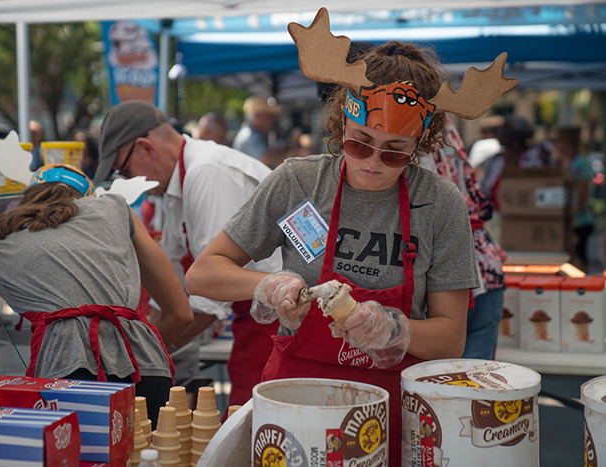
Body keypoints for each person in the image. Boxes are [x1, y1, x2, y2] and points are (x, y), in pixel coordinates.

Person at [185, 8, 516, 464]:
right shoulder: (299, 182)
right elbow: (202, 274)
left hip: (391, 404)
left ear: (420, 144)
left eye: (395, 152)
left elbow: (450, 338)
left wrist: (394, 328)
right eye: (360, 143)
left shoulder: (440, 204)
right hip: (296, 395)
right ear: (343, 123)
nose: (373, 162)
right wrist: (268, 285)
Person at [0, 164, 193, 426]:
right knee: (154, 455)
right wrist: (132, 352)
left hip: (66, 371)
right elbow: (181, 313)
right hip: (145, 369)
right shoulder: (115, 208)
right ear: (86, 197)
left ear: (27, 199)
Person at [94, 100, 282, 407]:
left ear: (146, 148)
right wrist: (149, 337)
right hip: (256, 314)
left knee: (252, 414)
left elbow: (210, 297)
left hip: (280, 316)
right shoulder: (174, 187)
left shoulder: (206, 172)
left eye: (125, 170)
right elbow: (170, 278)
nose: (128, 180)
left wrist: (144, 356)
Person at [419, 118, 507, 359]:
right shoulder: (444, 124)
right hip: (483, 263)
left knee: (434, 378)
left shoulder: (408, 128)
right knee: (474, 377)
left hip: (440, 275)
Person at [481, 115, 556, 210]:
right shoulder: (496, 160)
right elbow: (486, 190)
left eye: (516, 141)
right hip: (499, 213)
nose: (513, 147)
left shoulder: (538, 155)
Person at [554, 126, 595, 269]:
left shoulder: (580, 164)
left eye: (559, 141)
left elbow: (582, 197)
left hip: (579, 221)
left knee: (579, 260)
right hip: (571, 220)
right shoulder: (568, 163)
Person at [232, 95, 281, 161]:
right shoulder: (250, 135)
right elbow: (266, 160)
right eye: (269, 115)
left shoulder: (250, 132)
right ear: (258, 116)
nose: (273, 119)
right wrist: (288, 148)